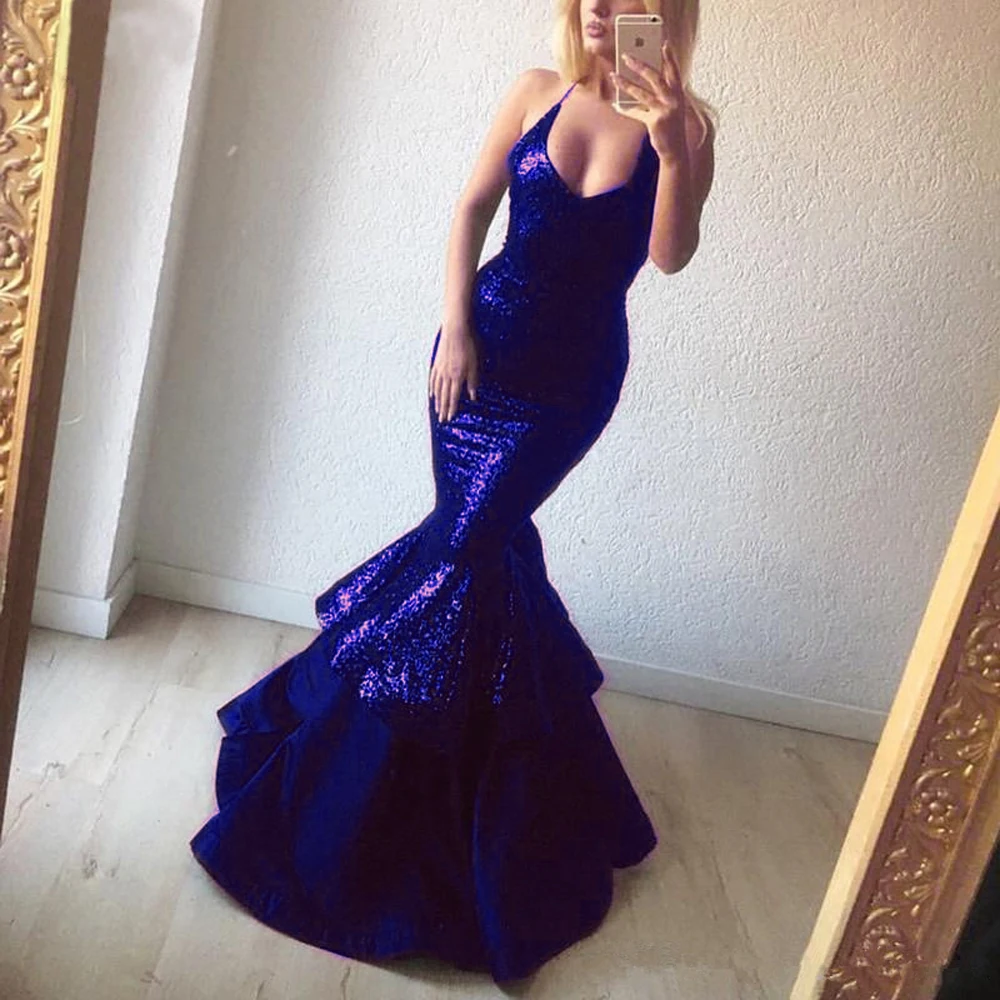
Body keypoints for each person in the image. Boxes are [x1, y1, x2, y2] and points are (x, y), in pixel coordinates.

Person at [189, 0, 716, 983]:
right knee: (473, 555)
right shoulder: (534, 91)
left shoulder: (685, 127)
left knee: (465, 551)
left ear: (667, 11)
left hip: (569, 384)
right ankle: (455, 774)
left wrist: (673, 147)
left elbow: (667, 256)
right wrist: (457, 327)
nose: (603, 12)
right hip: (478, 354)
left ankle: (368, 780)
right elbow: (472, 208)